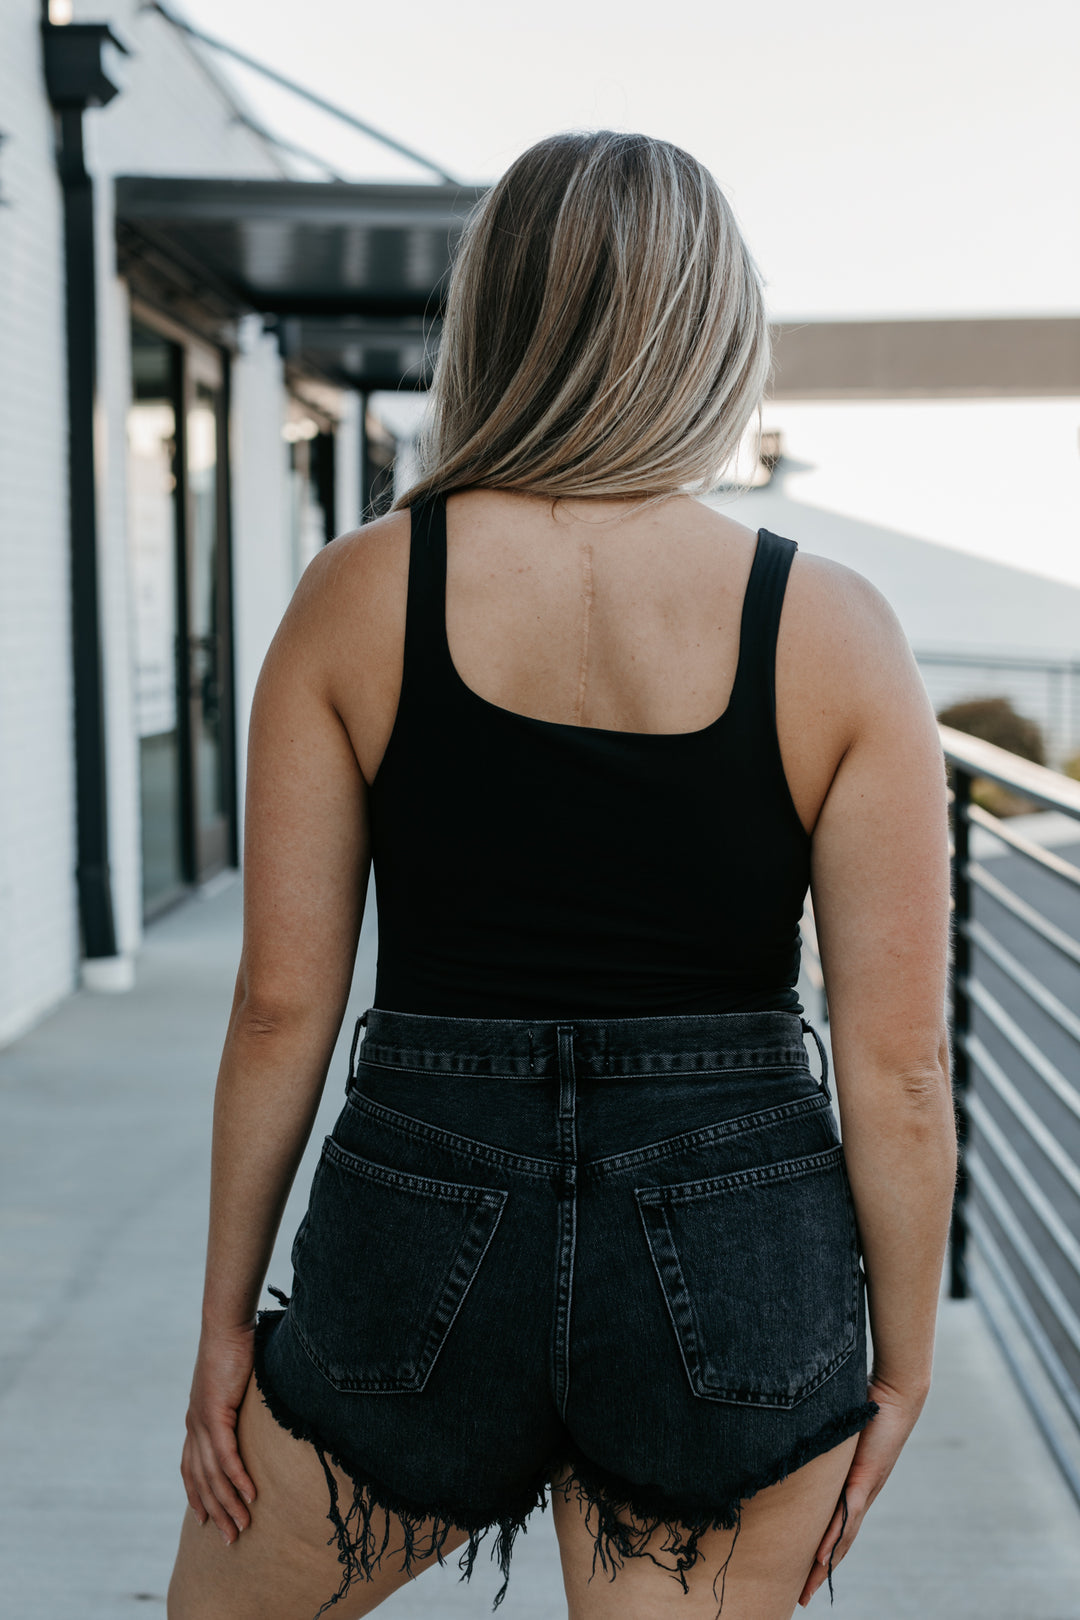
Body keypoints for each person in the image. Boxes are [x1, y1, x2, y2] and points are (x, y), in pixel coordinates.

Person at [166, 130, 958, 1620]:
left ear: (495, 319)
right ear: (713, 335)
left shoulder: (359, 592)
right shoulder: (835, 631)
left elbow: (283, 1007)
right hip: (736, 1235)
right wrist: (901, 1367)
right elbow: (899, 1066)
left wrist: (223, 1326)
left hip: (422, 1200)